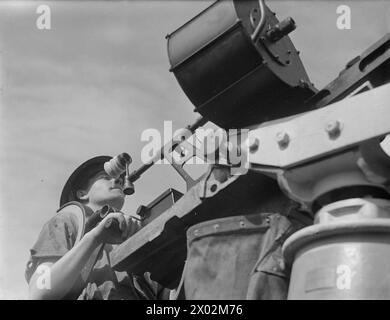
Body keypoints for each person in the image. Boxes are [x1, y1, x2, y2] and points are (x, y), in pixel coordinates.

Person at [25, 155, 167, 300]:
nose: (117, 180)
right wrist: (95, 238)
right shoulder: (66, 221)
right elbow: (39, 292)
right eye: (106, 177)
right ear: (82, 194)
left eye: (119, 177)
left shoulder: (130, 233)